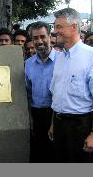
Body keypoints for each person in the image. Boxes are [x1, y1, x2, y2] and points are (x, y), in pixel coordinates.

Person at [49, 8, 93, 162]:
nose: (55, 31)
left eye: (59, 27)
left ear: (74, 27)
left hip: (80, 127)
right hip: (59, 124)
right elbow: (56, 95)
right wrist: (53, 124)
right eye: (55, 27)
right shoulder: (60, 57)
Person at [25, 21, 58, 162]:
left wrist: (54, 123)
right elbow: (27, 93)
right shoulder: (28, 64)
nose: (39, 41)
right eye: (35, 38)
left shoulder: (62, 61)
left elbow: (62, 96)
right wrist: (30, 118)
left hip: (57, 115)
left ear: (50, 36)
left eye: (43, 37)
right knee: (38, 155)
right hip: (36, 115)